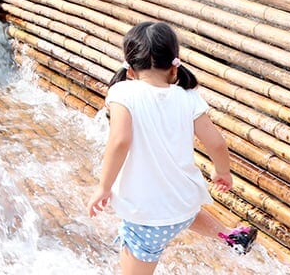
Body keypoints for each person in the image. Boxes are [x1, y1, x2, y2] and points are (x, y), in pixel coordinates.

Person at [86, 21, 256, 273]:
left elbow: (120, 141)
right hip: (185, 202)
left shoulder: (123, 92)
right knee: (184, 211)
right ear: (173, 67)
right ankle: (230, 236)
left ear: (130, 69)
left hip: (146, 218)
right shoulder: (189, 96)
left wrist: (103, 187)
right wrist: (223, 172)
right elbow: (216, 142)